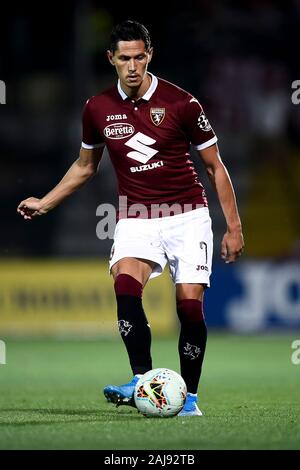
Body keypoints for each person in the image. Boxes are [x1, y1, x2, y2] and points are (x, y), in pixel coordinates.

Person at [17, 20, 244, 416]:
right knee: (125, 284)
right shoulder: (97, 108)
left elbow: (215, 166)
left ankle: (188, 397)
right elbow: (86, 167)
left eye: (140, 57)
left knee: (189, 308)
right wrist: (47, 201)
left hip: (187, 215)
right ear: (111, 59)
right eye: (124, 58)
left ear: (150, 55)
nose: (133, 66)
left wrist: (234, 228)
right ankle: (141, 380)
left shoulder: (181, 103)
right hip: (136, 216)